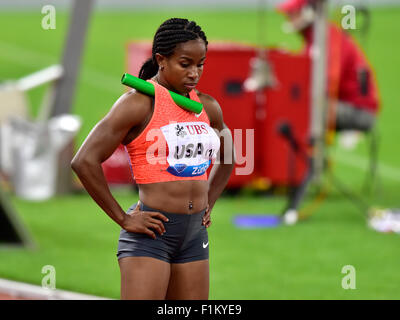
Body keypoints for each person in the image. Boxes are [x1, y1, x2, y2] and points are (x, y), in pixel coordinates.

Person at [71, 18, 235, 300]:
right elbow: (84, 160)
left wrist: (210, 197)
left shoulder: (206, 106)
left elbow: (229, 155)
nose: (194, 73)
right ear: (161, 60)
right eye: (185, 64)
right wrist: (123, 218)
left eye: (201, 64)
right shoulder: (137, 104)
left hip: (194, 236)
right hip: (151, 236)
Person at [278, 0, 380, 133]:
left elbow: (325, 82)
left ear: (308, 11)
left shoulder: (327, 38)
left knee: (299, 108)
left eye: (292, 13)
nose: (288, 17)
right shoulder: (316, 38)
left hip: (359, 111)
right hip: (342, 105)